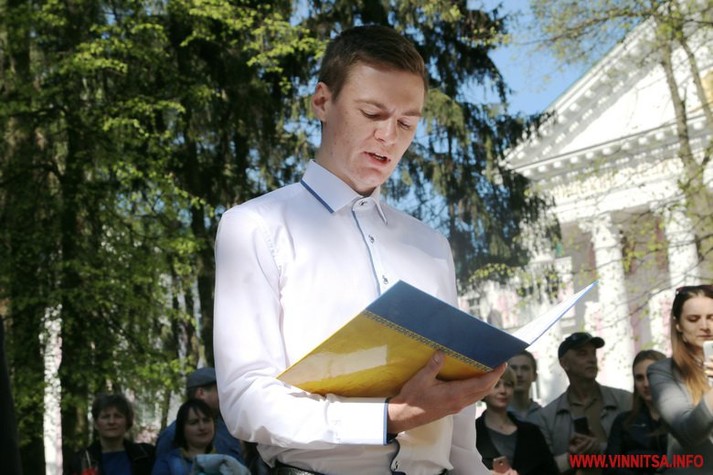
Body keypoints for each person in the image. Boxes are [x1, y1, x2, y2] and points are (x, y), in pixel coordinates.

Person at [213, 24, 506, 475]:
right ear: (322, 102)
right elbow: (246, 399)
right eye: (372, 113)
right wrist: (387, 418)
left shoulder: (431, 246)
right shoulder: (256, 226)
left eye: (407, 123)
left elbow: (457, 428)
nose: (389, 135)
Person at [531, 332, 631, 474]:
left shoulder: (625, 401)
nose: (592, 359)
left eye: (593, 353)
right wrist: (572, 458)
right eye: (582, 354)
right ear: (564, 363)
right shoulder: (547, 417)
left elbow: (642, 454)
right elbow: (542, 469)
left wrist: (600, 449)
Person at [648, 284, 713, 473]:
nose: (705, 326)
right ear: (678, 325)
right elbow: (688, 433)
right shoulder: (662, 372)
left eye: (712, 317)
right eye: (693, 319)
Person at [155, 367, 246, 467]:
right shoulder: (171, 435)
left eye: (206, 421)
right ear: (201, 393)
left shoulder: (227, 427)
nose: (225, 396)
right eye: (219, 390)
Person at [476, 366, 558, 474]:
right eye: (496, 385)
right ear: (483, 390)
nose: (503, 390)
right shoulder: (472, 433)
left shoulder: (531, 432)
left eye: (508, 384)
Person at [604, 349, 667, 475]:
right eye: (639, 378)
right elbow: (610, 469)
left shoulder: (682, 418)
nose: (646, 384)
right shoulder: (623, 422)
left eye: (651, 376)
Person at [152, 399, 249, 475]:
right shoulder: (167, 462)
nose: (202, 427)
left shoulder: (230, 460)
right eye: (194, 422)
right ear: (182, 428)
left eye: (206, 420)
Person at [66, 393, 155, 475]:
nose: (111, 422)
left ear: (127, 422)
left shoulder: (145, 456)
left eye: (118, 416)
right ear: (96, 423)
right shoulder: (81, 461)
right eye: (105, 417)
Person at [508, 350, 541, 421]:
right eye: (513, 368)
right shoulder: (494, 416)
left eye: (525, 368)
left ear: (535, 376)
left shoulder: (545, 416)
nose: (519, 374)